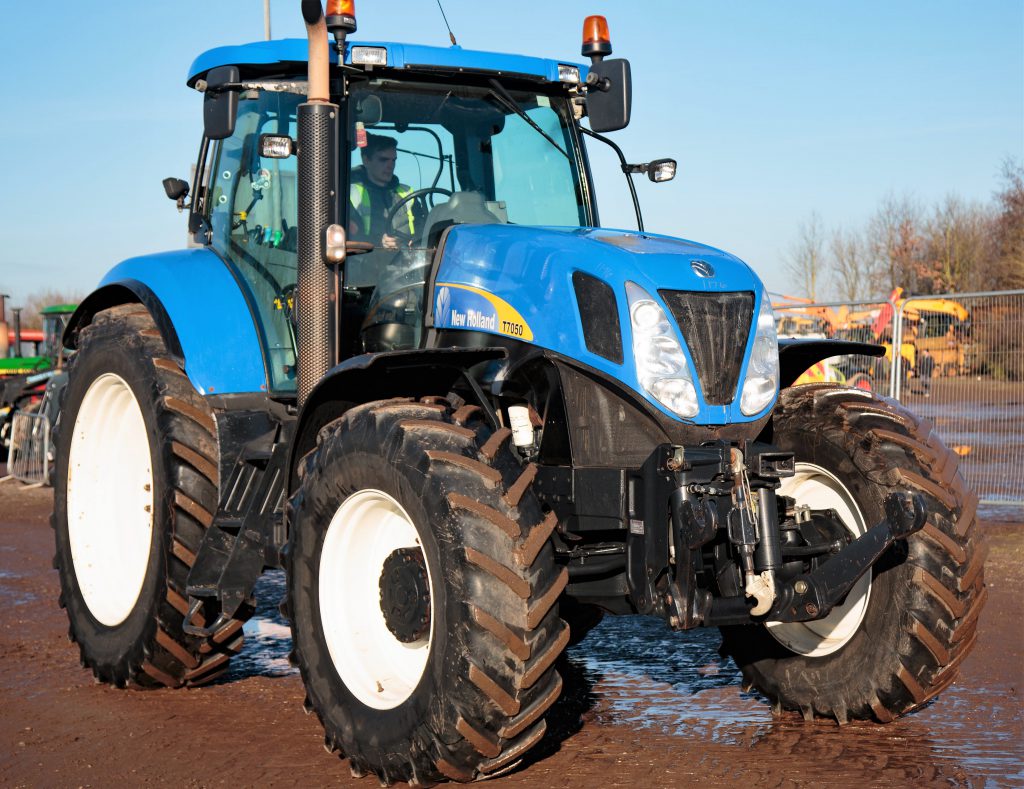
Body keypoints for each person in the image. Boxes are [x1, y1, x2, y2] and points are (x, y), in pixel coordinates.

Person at [348, 134, 420, 249]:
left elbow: (424, 228)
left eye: (393, 160)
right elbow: (348, 238)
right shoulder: (349, 195)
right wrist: (379, 243)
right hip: (366, 265)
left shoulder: (407, 193)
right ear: (366, 160)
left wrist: (413, 242)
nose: (390, 166)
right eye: (383, 160)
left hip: (412, 264)